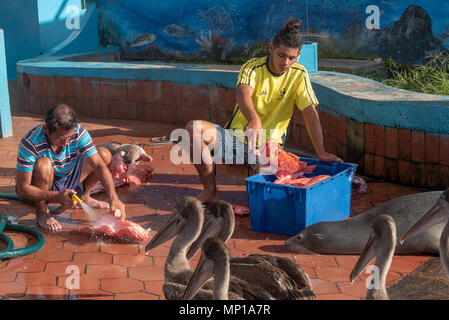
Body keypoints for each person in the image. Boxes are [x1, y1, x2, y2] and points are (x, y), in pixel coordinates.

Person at [185, 18, 343, 204]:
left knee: (262, 197)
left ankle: (260, 186)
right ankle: (210, 191)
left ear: (299, 55)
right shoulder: (253, 67)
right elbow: (243, 91)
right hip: (236, 139)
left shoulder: (299, 74)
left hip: (270, 146)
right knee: (193, 128)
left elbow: (309, 111)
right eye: (281, 55)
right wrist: (253, 119)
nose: (286, 62)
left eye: (292, 58)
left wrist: (320, 151)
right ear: (271, 48)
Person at [15, 103, 126, 232]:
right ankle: (42, 211)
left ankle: (85, 196)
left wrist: (114, 198)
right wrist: (56, 196)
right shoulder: (30, 142)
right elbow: (22, 189)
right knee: (43, 164)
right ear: (46, 129)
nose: (66, 143)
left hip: (68, 176)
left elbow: (99, 166)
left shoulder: (78, 132)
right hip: (44, 182)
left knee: (104, 155)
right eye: (61, 138)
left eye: (70, 137)